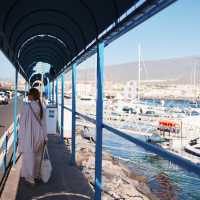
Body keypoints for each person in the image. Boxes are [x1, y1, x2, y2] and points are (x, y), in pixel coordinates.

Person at [18, 87, 47, 185]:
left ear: (31, 95)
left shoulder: (27, 107)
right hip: (40, 134)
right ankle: (36, 175)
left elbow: (22, 123)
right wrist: (45, 137)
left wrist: (20, 137)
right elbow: (44, 123)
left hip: (30, 135)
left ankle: (30, 178)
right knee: (38, 156)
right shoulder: (41, 106)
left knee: (29, 155)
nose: (28, 96)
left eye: (28, 95)